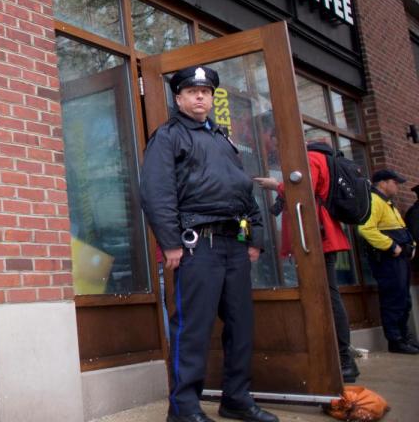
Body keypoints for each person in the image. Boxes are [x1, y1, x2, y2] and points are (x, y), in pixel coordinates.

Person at [140, 66, 278, 422]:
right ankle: (184, 409)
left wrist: (255, 238)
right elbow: (157, 193)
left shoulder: (222, 138)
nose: (200, 96)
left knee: (241, 325)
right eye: (191, 91)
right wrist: (170, 242)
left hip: (234, 244)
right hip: (196, 245)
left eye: (206, 91)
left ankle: (236, 398)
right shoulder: (168, 136)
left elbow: (243, 191)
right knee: (193, 328)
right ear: (179, 98)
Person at [254, 141, 359, 382]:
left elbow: (303, 190)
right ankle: (340, 357)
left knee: (328, 297)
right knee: (327, 295)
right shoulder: (323, 159)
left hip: (316, 237)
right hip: (320, 236)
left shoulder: (311, 158)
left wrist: (275, 185)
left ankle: (344, 360)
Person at [358, 169, 418, 354]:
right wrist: (392, 246)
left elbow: (401, 229)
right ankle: (396, 341)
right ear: (383, 183)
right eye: (395, 182)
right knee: (393, 300)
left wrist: (412, 246)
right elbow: (365, 229)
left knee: (403, 299)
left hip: (399, 259)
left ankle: (404, 337)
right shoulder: (375, 200)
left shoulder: (386, 203)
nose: (397, 185)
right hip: (388, 260)